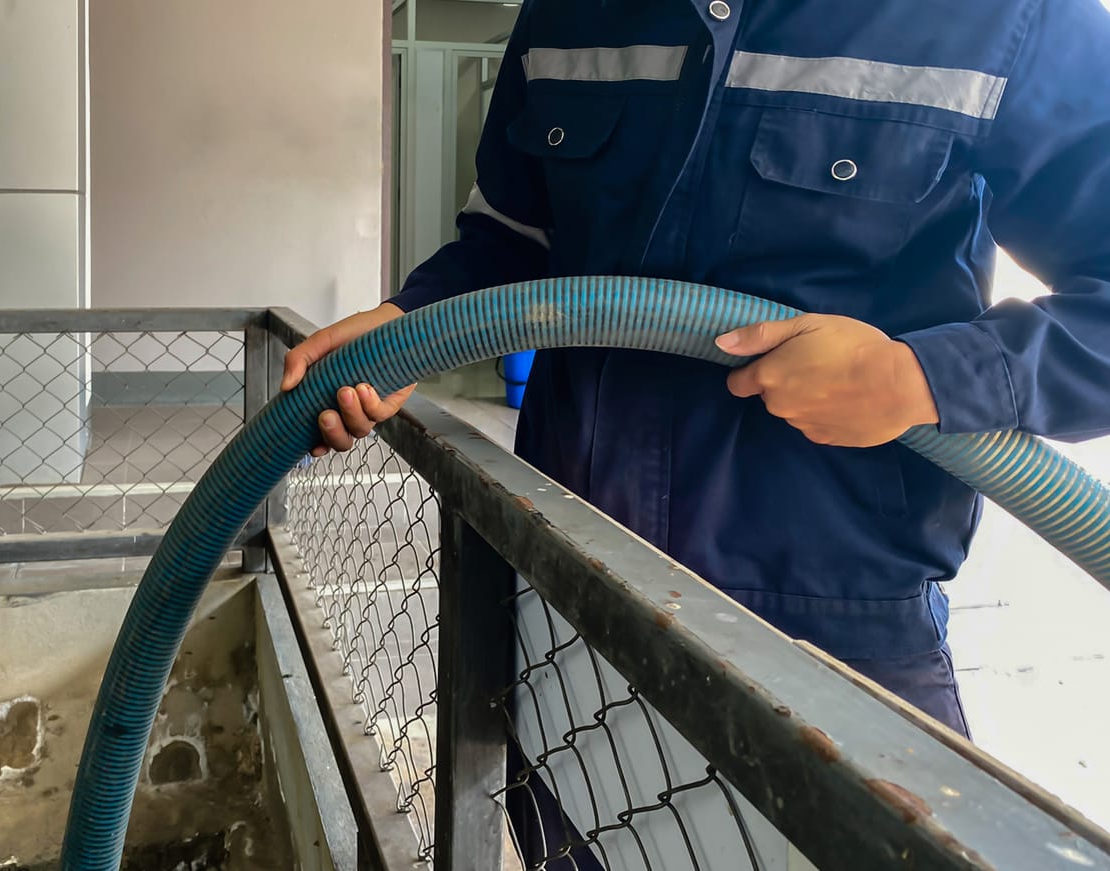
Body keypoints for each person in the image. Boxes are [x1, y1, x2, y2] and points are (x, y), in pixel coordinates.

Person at [283, 0, 1110, 741]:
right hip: (568, 564)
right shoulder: (570, 14)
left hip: (824, 596)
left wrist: (923, 378)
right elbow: (516, 238)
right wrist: (408, 324)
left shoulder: (1009, 17)